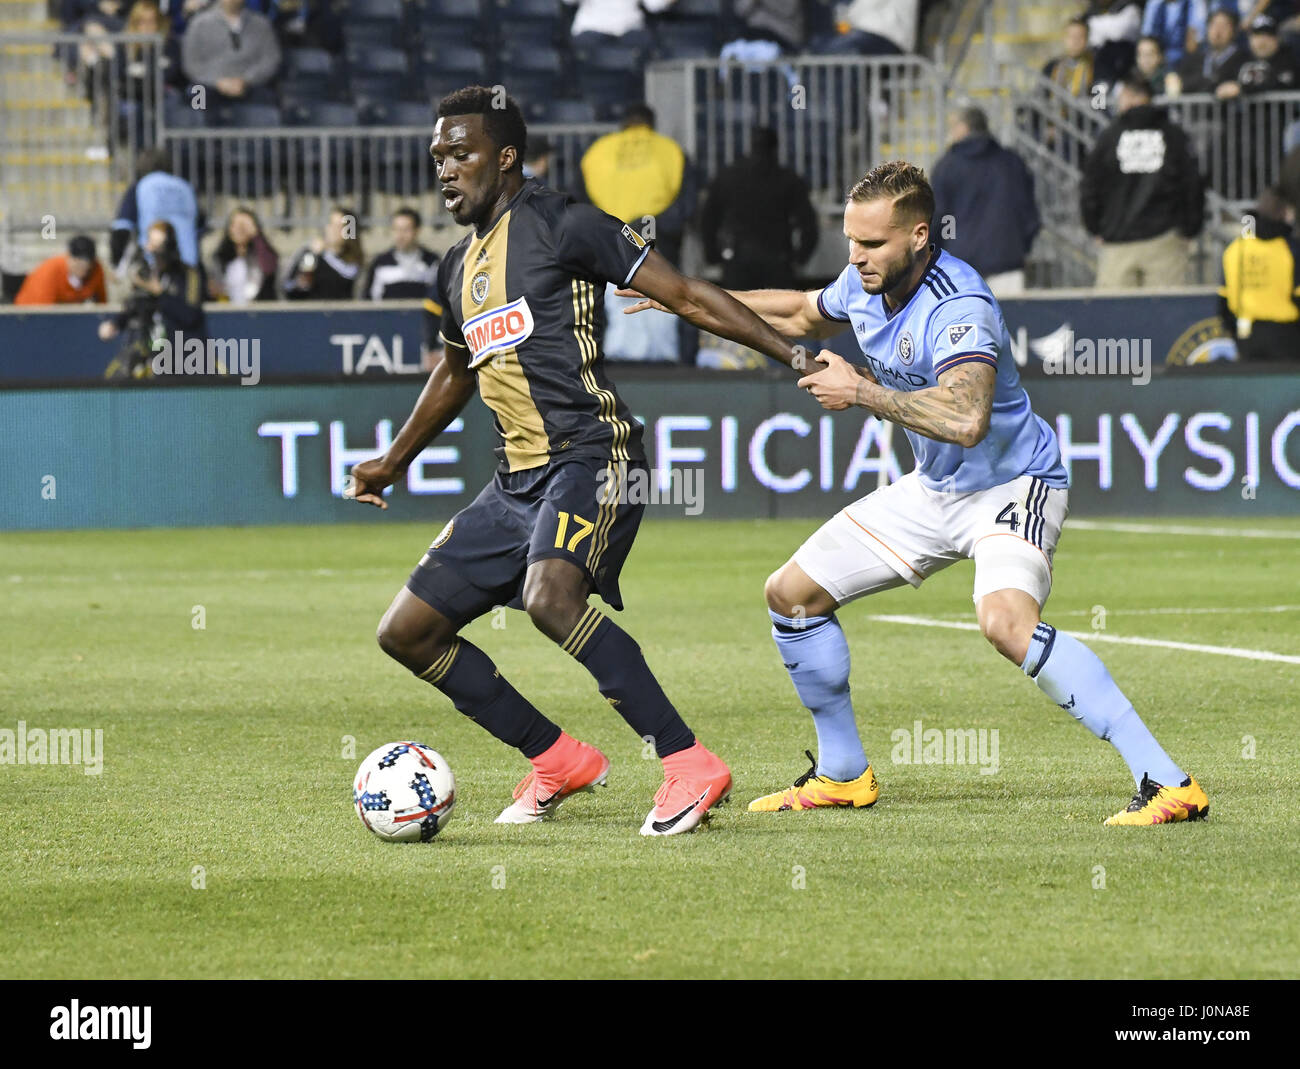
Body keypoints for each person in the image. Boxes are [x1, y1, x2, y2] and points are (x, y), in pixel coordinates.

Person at [629, 160, 1208, 827]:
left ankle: (1167, 781)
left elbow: (966, 420)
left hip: (1012, 484)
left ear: (920, 236)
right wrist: (690, 296)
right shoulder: (863, 284)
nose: (857, 257)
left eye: (872, 244)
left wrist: (861, 391)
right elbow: (798, 311)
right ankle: (843, 774)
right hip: (934, 490)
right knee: (790, 595)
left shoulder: (960, 306)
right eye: (851, 240)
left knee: (1004, 622)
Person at [344, 86, 803, 837]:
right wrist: (393, 461)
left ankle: (687, 761)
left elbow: (685, 293)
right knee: (407, 632)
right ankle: (557, 757)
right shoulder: (456, 267)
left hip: (598, 452)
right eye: (437, 157)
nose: (445, 170)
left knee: (549, 598)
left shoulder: (567, 225)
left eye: (460, 154)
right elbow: (457, 370)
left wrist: (791, 353)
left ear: (506, 156)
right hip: (514, 482)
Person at [581, 103, 696, 360]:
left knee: (608, 307)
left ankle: (605, 362)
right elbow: (686, 206)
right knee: (664, 305)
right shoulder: (672, 151)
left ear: (623, 124)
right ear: (651, 125)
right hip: (658, 242)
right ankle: (671, 364)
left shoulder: (596, 152)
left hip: (607, 242)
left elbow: (578, 204)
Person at [1080, 74, 1205, 289]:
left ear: (1130, 96)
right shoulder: (1173, 135)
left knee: (1115, 318)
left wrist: (1094, 227)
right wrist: (1190, 228)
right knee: (1166, 317)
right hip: (1164, 241)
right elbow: (1192, 184)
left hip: (1117, 243)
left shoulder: (1109, 137)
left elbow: (1090, 186)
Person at [930, 106, 1040, 296]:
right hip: (1007, 261)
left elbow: (943, 217)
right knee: (1008, 322)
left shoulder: (947, 166)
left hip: (961, 266)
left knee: (965, 324)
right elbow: (1028, 214)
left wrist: (949, 245)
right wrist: (1021, 246)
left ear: (963, 128)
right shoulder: (1012, 162)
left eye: (953, 126)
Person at [699, 126, 818, 291]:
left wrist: (712, 255)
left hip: (737, 259)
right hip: (778, 259)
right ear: (775, 148)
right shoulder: (788, 179)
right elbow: (808, 224)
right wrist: (800, 258)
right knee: (778, 314)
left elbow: (708, 220)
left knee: (738, 312)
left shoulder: (727, 177)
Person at [98, 220, 205, 378]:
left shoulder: (188, 274)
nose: (152, 250)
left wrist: (160, 293)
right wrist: (117, 323)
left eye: (158, 245)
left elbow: (189, 315)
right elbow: (137, 303)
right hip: (155, 351)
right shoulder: (148, 272)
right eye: (150, 243)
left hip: (185, 354)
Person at [1218, 186, 1300, 361]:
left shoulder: (1235, 249)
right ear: (1285, 213)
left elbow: (1223, 302)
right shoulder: (1291, 249)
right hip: (1287, 338)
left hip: (1246, 337)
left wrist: (1236, 335)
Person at [111, 147, 200, 270]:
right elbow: (198, 226)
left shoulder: (140, 186)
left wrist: (116, 262)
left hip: (153, 262)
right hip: (188, 262)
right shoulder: (186, 187)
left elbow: (122, 228)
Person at [181, 0, 281, 104]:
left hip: (252, 85)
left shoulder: (261, 24)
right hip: (208, 85)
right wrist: (218, 82)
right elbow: (191, 63)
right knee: (196, 98)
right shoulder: (199, 24)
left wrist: (246, 80)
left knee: (268, 100)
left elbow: (270, 59)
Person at [283, 207, 364, 300]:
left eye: (338, 227)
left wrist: (325, 253)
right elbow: (287, 286)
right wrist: (298, 284)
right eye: (331, 224)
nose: (332, 230)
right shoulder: (309, 252)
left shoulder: (351, 257)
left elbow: (349, 274)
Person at [363, 208, 439, 302]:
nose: (400, 235)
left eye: (406, 230)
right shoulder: (380, 263)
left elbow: (437, 299)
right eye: (396, 229)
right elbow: (369, 302)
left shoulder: (431, 262)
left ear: (417, 231)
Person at [1167, 6, 1246, 95]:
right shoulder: (1195, 58)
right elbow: (1182, 83)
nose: (1218, 31)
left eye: (1224, 26)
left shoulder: (1243, 59)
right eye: (1214, 25)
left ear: (1234, 31)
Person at [209, 206, 279, 303]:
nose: (239, 229)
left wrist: (256, 236)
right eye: (235, 225)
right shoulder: (220, 258)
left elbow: (269, 269)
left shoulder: (261, 255)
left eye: (244, 226)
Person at [15, 235, 107, 305]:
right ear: (69, 257)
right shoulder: (51, 271)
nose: (82, 266)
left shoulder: (96, 270)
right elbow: (41, 312)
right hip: (28, 314)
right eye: (77, 261)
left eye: (86, 262)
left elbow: (102, 305)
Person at [1140, 0, 1207, 68]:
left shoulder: (1194, 2)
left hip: (1184, 56)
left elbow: (1194, 41)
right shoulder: (1154, 3)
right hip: (1159, 56)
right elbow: (1147, 37)